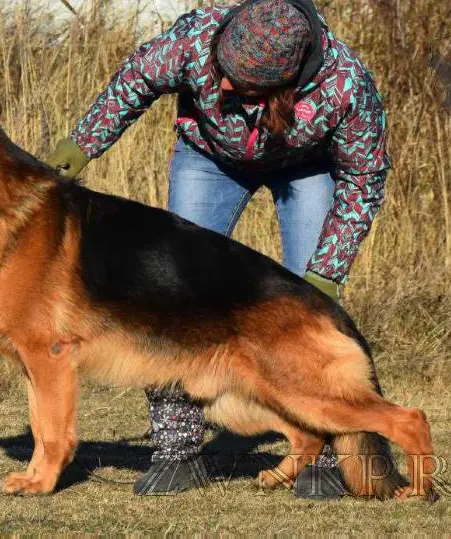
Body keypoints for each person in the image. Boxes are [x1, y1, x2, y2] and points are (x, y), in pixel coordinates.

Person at [46, 0, 389, 497]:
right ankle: (177, 451)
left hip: (305, 165)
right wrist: (68, 159)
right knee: (167, 300)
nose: (223, 85)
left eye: (241, 82)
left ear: (284, 84)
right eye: (222, 71)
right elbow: (131, 85)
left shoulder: (344, 84)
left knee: (307, 312)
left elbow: (364, 174)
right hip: (208, 158)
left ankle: (325, 454)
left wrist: (325, 274)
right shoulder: (196, 36)